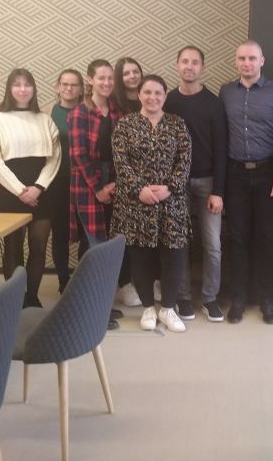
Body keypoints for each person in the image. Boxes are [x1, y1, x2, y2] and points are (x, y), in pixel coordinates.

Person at [111, 74, 192, 333]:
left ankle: (167, 308)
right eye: (147, 92)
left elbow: (185, 161)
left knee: (174, 253)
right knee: (140, 255)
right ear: (139, 95)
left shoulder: (177, 124)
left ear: (165, 96)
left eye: (158, 93)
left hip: (172, 201)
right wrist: (139, 190)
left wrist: (170, 187)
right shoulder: (125, 125)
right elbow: (120, 162)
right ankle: (148, 307)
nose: (152, 97)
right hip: (136, 202)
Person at [219, 40, 273, 324]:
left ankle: (266, 298)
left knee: (267, 238)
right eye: (242, 58)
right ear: (236, 61)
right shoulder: (226, 92)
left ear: (262, 61)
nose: (246, 63)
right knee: (237, 238)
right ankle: (238, 297)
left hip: (268, 174)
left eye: (252, 58)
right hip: (235, 173)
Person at [0, 69, 61, 307]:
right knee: (13, 248)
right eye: (17, 84)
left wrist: (38, 187)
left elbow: (55, 158)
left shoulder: (44, 119)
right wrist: (19, 190)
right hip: (10, 191)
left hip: (42, 191)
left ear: (34, 89)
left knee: (38, 246)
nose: (23, 89)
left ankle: (32, 296)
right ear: (9, 89)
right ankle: (14, 298)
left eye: (27, 84)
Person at [164, 45, 228, 322]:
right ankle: (183, 296)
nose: (189, 66)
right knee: (179, 242)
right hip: (176, 184)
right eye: (185, 61)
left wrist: (219, 191)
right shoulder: (168, 101)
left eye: (195, 62)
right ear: (177, 65)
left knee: (212, 244)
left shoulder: (214, 103)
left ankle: (210, 298)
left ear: (202, 67)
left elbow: (222, 149)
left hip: (208, 182)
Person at [68, 59, 123, 329]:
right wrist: (99, 188)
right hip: (88, 183)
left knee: (106, 246)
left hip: (113, 180)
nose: (106, 83)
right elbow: (79, 155)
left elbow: (122, 150)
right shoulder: (79, 113)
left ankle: (100, 303)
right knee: (95, 246)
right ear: (90, 80)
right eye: (101, 78)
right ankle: (91, 309)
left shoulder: (116, 112)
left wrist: (115, 183)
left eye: (110, 78)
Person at [110, 57, 145, 309]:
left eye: (135, 71)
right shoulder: (114, 106)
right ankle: (124, 284)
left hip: (148, 179)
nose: (132, 76)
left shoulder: (150, 98)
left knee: (144, 233)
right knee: (124, 234)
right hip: (121, 177)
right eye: (126, 73)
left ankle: (143, 280)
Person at [49, 69, 84, 294]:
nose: (69, 88)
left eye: (74, 84)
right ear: (58, 87)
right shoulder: (49, 114)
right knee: (60, 232)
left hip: (84, 180)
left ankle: (82, 279)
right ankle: (63, 279)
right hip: (58, 181)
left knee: (86, 233)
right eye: (65, 84)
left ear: (81, 89)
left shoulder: (87, 111)